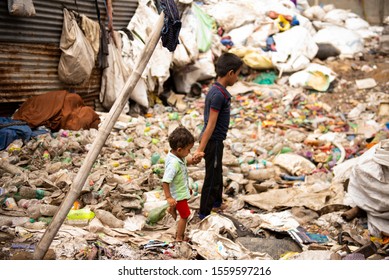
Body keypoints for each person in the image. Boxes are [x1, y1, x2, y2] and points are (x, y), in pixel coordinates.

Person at [194, 52, 243, 220]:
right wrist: (200, 150)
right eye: (237, 74)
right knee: (211, 176)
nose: (237, 78)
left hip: (216, 141)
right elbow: (210, 124)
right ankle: (204, 212)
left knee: (217, 173)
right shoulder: (218, 95)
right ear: (230, 73)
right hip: (212, 141)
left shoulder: (217, 91)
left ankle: (216, 202)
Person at [162, 126, 201, 241]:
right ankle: (179, 237)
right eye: (188, 150)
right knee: (185, 215)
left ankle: (172, 210)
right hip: (178, 195)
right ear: (179, 150)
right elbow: (165, 181)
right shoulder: (174, 164)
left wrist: (193, 160)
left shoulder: (176, 155)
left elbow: (186, 161)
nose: (189, 152)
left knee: (181, 212)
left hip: (180, 189)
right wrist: (168, 197)